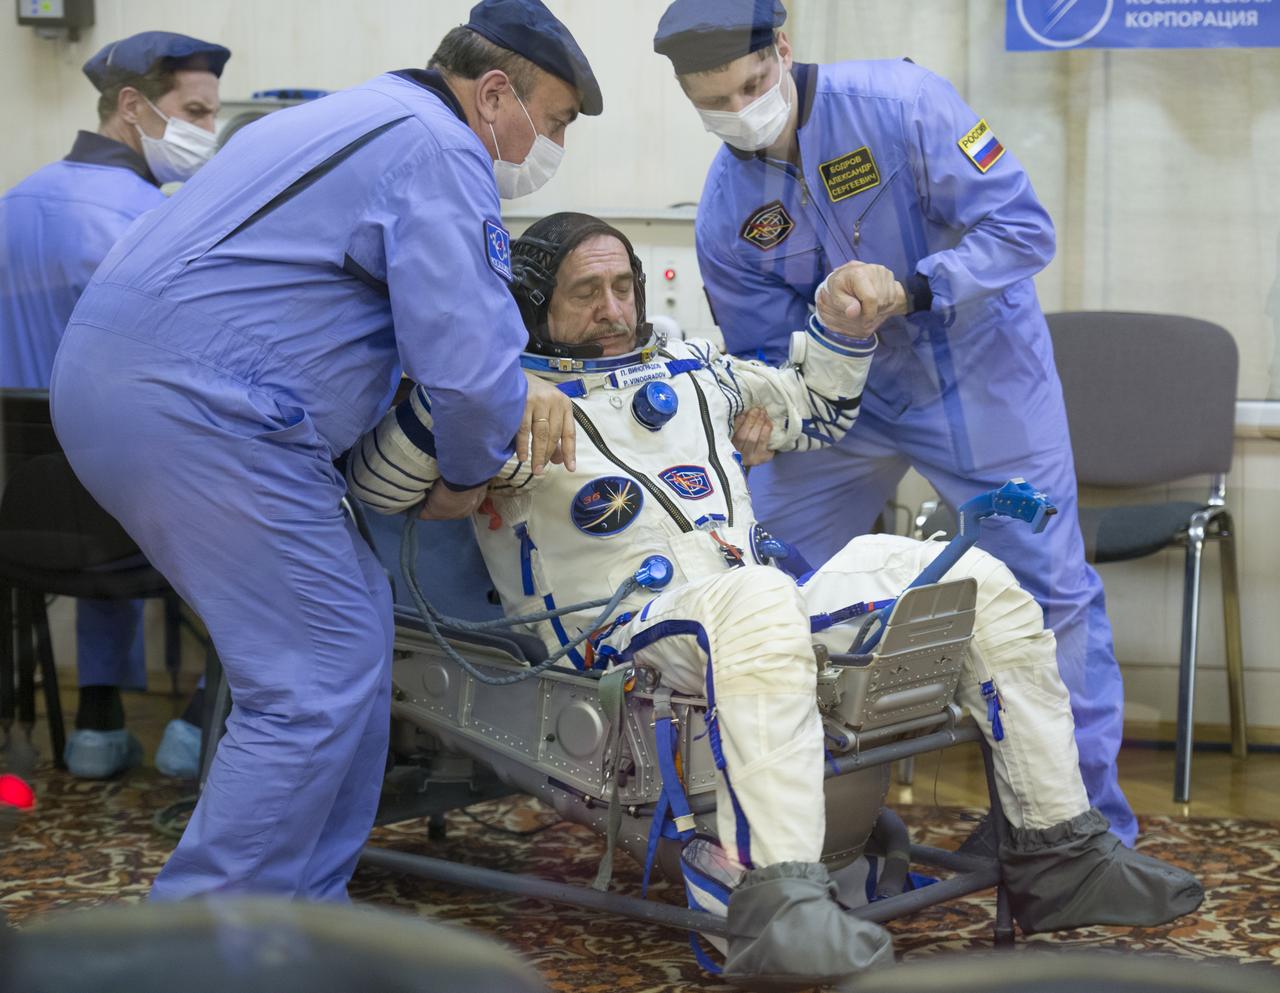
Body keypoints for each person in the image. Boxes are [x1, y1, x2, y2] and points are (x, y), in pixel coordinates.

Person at [348, 212, 1202, 990]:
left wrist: (841, 324)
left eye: (624, 287)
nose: (614, 308)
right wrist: (484, 383)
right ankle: (778, 901)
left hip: (754, 612)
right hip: (624, 636)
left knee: (974, 580)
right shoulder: (501, 406)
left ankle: (1060, 850)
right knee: (756, 594)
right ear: (534, 307)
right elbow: (379, 483)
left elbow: (817, 407)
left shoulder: (692, 373)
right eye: (586, 293)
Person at [50, 0, 597, 900]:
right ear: (496, 92)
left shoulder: (346, 114)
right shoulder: (440, 147)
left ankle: (302, 918)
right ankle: (197, 947)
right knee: (310, 676)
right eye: (558, 121)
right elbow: (464, 373)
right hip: (205, 408)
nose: (552, 145)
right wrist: (463, 474)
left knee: (350, 635)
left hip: (133, 388)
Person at [652, 0, 1138, 847]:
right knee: (758, 578)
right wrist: (761, 415)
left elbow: (1023, 228)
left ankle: (1074, 825)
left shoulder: (902, 106)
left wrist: (911, 287)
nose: (742, 114)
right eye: (715, 104)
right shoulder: (726, 209)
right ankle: (792, 828)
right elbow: (769, 355)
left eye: (753, 86)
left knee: (1050, 590)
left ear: (785, 49)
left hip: (981, 379)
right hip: (850, 408)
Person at [0, 31, 230, 780]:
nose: (208, 130)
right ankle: (199, 725)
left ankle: (96, 722)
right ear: (131, 107)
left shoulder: (13, 204)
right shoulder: (154, 222)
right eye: (194, 110)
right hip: (127, 510)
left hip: (22, 512)